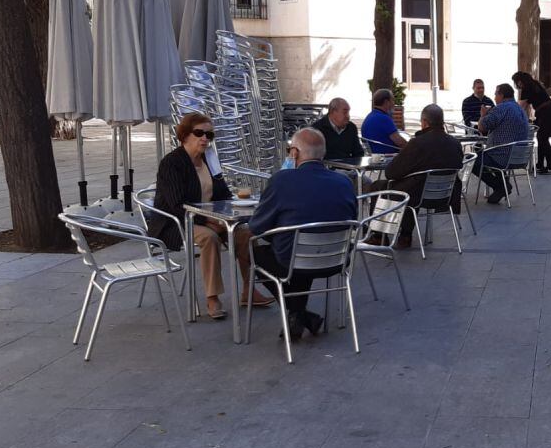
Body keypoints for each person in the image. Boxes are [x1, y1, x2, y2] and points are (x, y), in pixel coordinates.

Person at [149, 113, 272, 320]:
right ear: (185, 135)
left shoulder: (210, 159)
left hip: (211, 218)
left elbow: (223, 194)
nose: (205, 138)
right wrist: (207, 221)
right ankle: (212, 297)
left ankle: (249, 290)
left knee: (246, 235)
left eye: (209, 134)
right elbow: (178, 205)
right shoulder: (172, 163)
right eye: (199, 133)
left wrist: (234, 208)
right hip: (177, 221)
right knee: (209, 238)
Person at [247, 127, 358, 341]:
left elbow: (257, 227)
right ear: (322, 154)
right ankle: (300, 316)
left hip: (294, 259)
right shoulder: (344, 182)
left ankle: (300, 314)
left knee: (254, 249)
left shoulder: (282, 181)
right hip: (337, 258)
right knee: (299, 249)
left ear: (294, 153)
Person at [369, 104, 463, 249]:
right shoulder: (455, 144)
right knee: (411, 186)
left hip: (417, 196)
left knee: (379, 186)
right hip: (446, 196)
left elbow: (391, 173)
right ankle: (405, 235)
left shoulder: (418, 143)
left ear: (424, 122)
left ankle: (378, 236)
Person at [476, 83, 531, 203]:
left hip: (503, 155)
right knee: (486, 156)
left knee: (474, 161)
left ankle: (501, 187)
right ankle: (503, 185)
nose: (495, 97)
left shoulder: (501, 108)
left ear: (501, 95)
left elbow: (482, 128)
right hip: (519, 157)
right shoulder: (519, 109)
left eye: (496, 94)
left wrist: (483, 115)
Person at [513, 71, 551, 175]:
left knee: (542, 138)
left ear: (520, 81)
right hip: (550, 110)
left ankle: (547, 166)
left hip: (546, 113)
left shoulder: (527, 88)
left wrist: (514, 115)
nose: (517, 85)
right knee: (543, 139)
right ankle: (543, 165)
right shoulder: (535, 84)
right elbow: (526, 106)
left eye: (517, 82)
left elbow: (521, 106)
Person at [361, 88, 407, 153]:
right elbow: (400, 142)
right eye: (392, 100)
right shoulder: (384, 119)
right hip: (387, 157)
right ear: (386, 102)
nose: (394, 104)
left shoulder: (369, 116)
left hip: (373, 156)